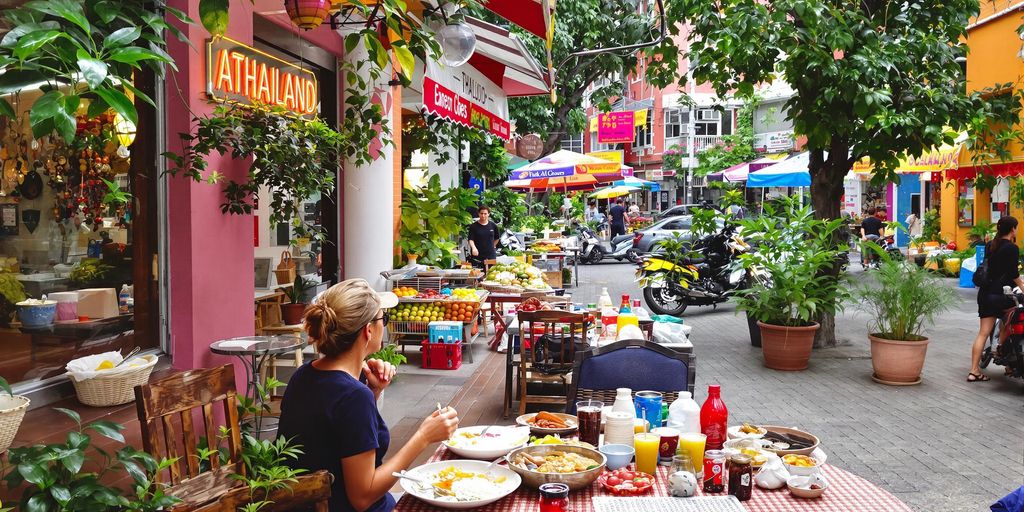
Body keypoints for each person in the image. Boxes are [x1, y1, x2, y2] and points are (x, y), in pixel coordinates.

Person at [278, 279, 460, 512]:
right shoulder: (353, 396)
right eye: (384, 318)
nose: (385, 325)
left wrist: (374, 392)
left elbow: (334, 435)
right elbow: (362, 497)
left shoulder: (303, 375)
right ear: (368, 330)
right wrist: (423, 437)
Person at [969, 216, 1024, 382]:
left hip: (985, 294)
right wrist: (1022, 287)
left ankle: (974, 371)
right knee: (1013, 318)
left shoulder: (991, 245)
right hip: (1001, 295)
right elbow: (1014, 274)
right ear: (1013, 229)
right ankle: (1003, 353)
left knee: (983, 333)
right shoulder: (1012, 248)